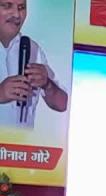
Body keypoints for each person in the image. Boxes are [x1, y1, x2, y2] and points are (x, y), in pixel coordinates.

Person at [0, 0, 68, 128]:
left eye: (21, 7)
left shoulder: (32, 49)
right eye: (7, 6)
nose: (17, 14)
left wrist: (47, 84)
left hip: (23, 140)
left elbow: (63, 104)